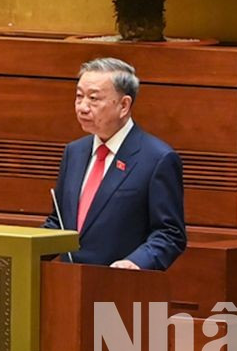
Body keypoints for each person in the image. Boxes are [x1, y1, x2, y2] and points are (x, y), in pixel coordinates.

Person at [43, 57, 186, 269]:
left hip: (120, 289)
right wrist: (24, 253)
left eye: (93, 98)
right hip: (68, 286)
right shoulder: (74, 152)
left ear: (124, 105)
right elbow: (59, 222)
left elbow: (170, 233)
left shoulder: (157, 159)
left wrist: (135, 263)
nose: (82, 107)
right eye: (79, 97)